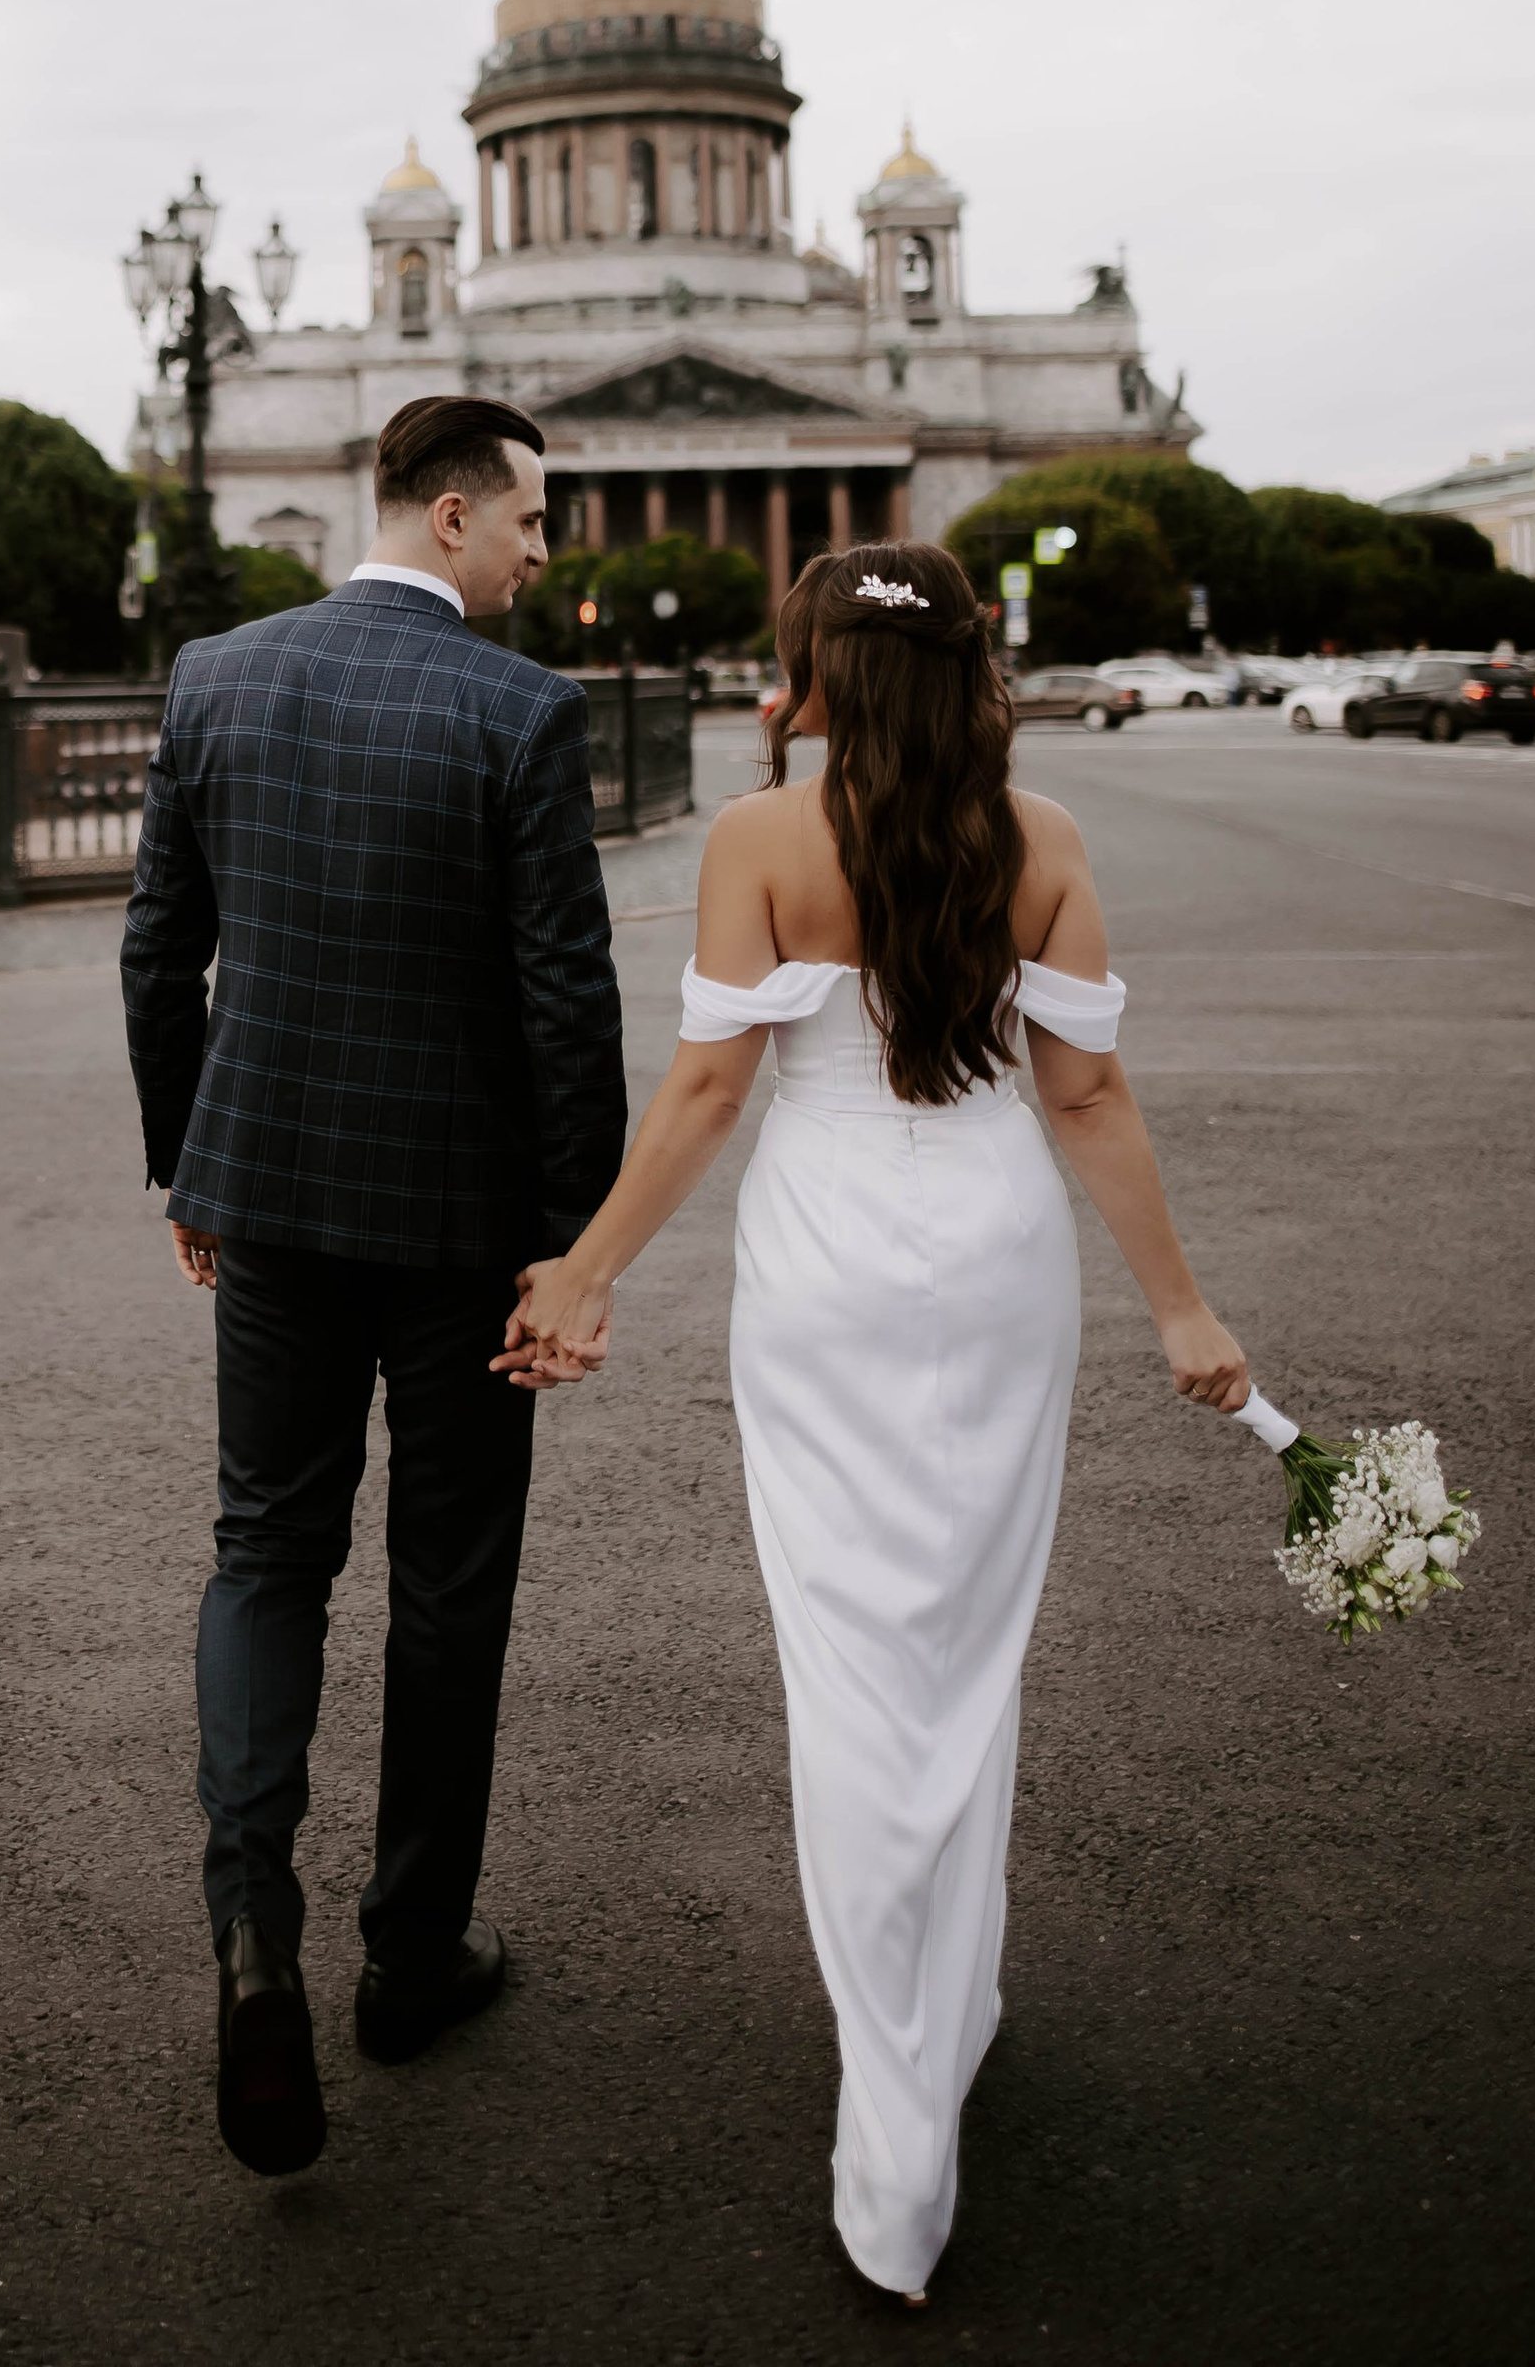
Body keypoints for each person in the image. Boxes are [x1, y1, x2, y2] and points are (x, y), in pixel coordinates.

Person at [502, 540, 1249, 2306]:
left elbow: (705, 1088)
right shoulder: (1042, 840)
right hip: (996, 1259)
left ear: (819, 677)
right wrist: (1180, 1307)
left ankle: (896, 2116)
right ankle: (951, 2005)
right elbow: (1088, 1094)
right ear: (970, 668)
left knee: (848, 1661)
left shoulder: (762, 840)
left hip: (826, 1260)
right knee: (968, 1655)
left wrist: (587, 1270)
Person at [122, 395, 626, 2178]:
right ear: (446, 514)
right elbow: (566, 999)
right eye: (531, 524)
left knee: (266, 1550)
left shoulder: (218, 676)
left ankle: (253, 1930)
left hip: (263, 1200)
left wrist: (187, 1160)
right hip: (459, 1223)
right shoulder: (518, 709)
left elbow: (159, 949)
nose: (542, 555)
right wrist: (577, 1241)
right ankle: (410, 1962)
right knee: (447, 1587)